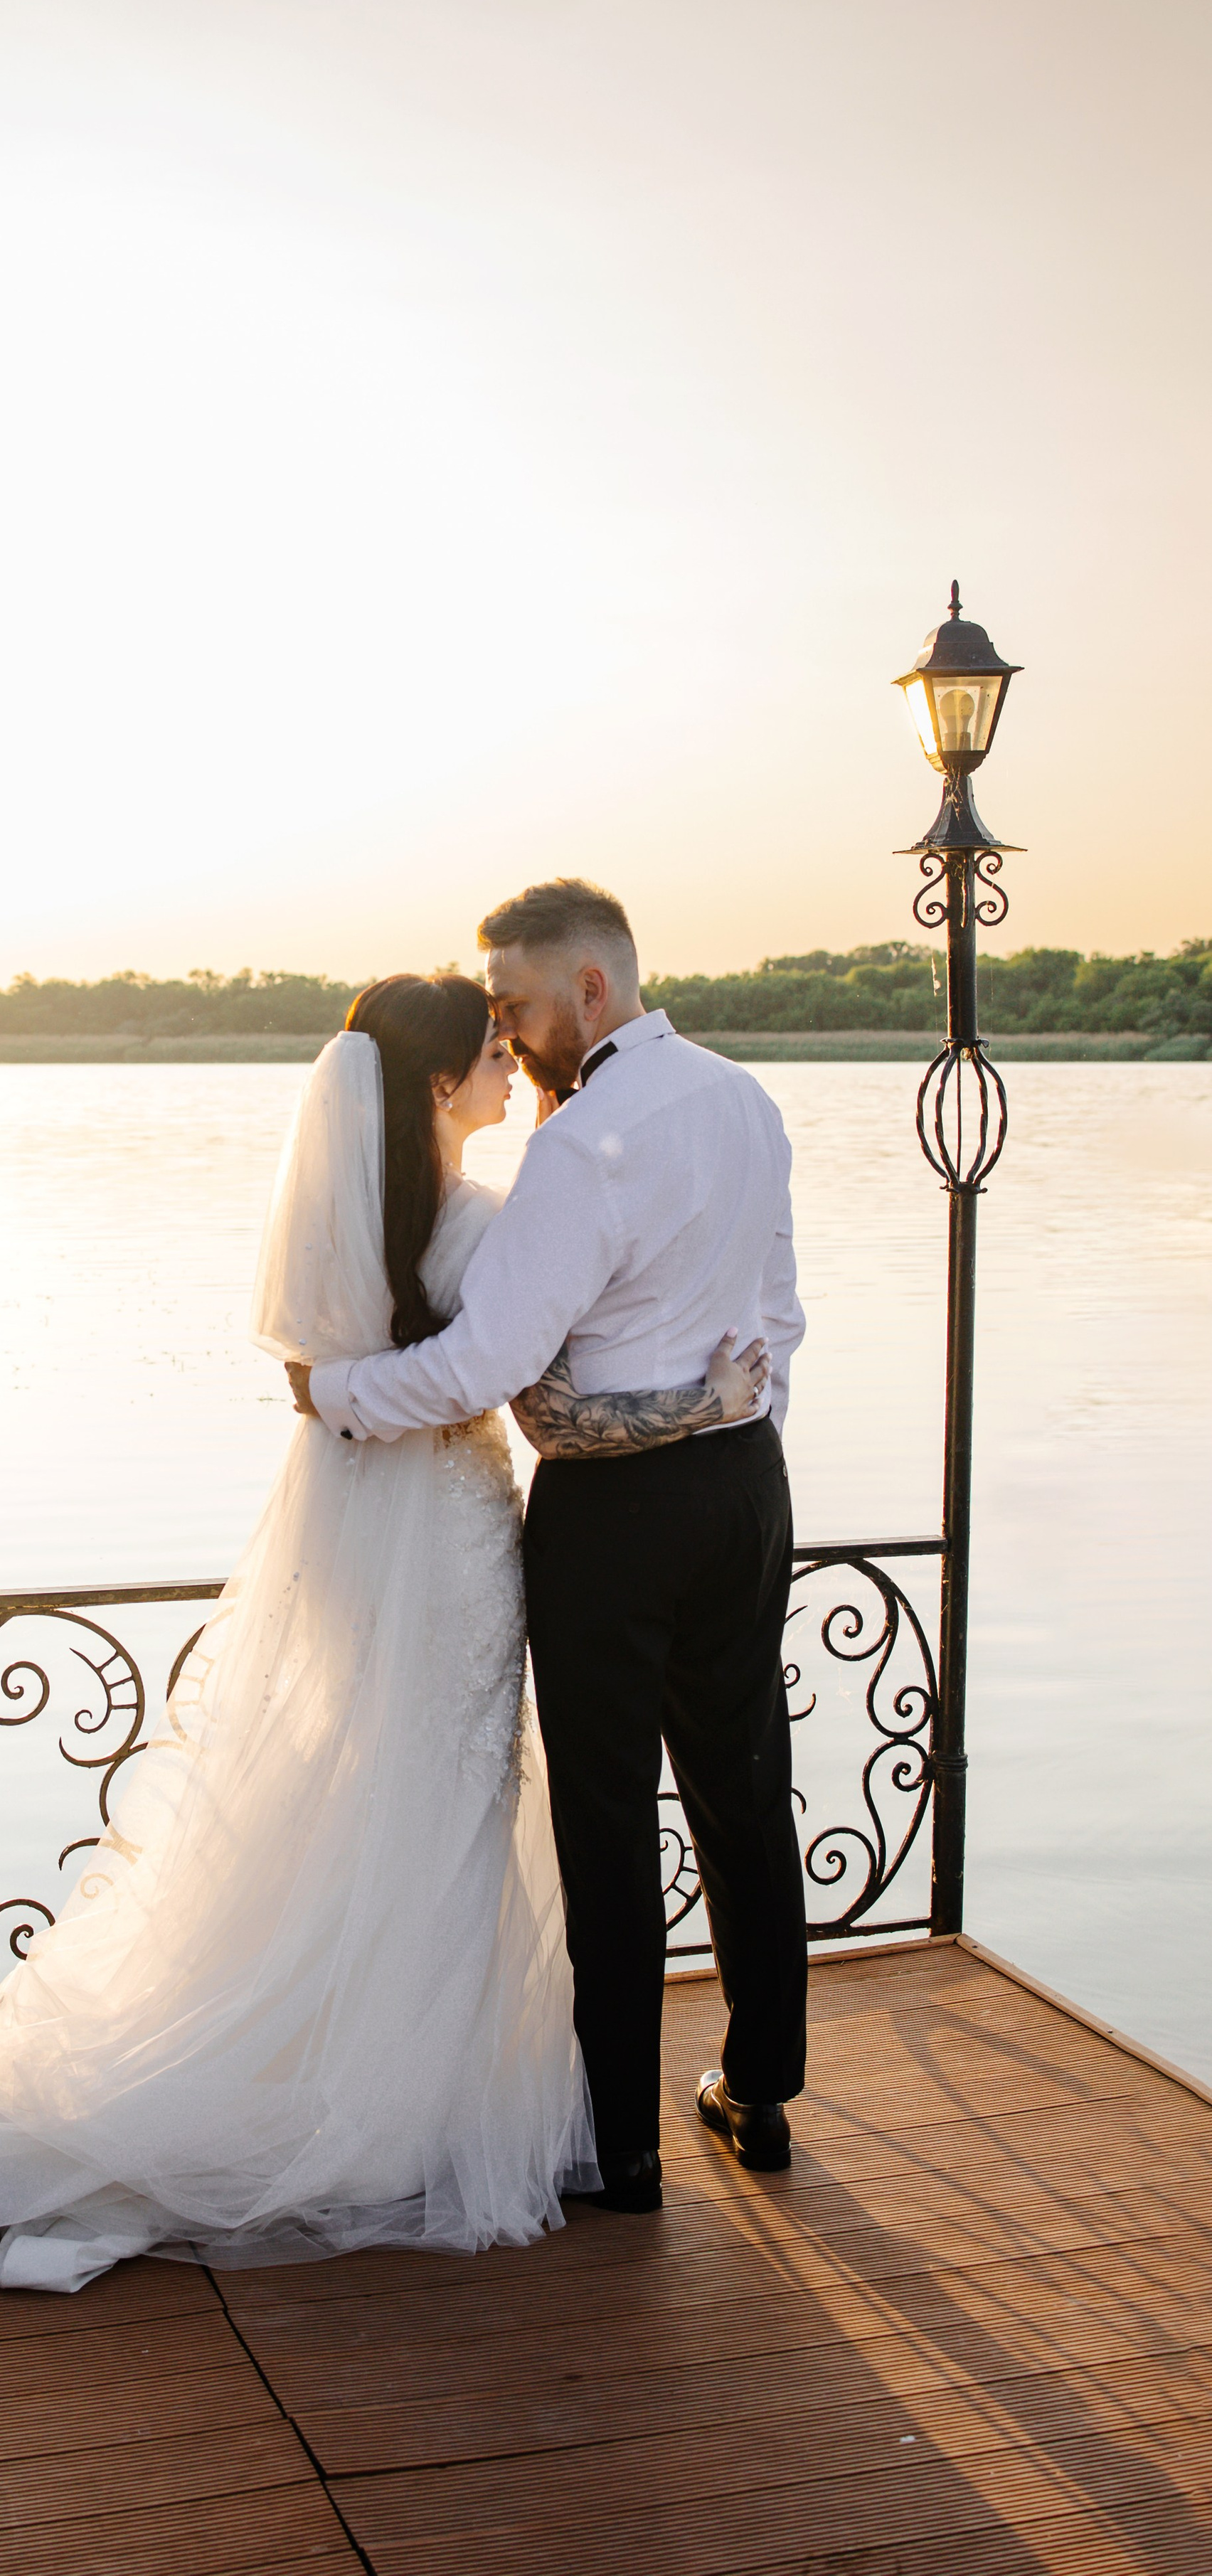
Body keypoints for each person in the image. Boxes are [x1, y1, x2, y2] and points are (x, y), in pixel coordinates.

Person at [0, 971, 767, 2289]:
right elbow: (527, 1394)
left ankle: (365, 2063)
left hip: (374, 1536)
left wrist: (345, 1392)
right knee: (440, 1805)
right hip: (459, 1539)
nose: (516, 1072)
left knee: (365, 1799)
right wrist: (706, 1404)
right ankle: (404, 2092)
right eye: (492, 1054)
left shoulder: (351, 1224)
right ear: (438, 1087)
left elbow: (345, 1379)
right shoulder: (485, 1222)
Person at [294, 880, 809, 2213]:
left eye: (517, 1005)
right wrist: (734, 1428)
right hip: (748, 1490)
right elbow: (781, 1313)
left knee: (603, 1818)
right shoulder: (748, 1099)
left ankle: (624, 2148)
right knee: (748, 1784)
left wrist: (339, 1397)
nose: (507, 1036)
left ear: (590, 991)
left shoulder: (581, 1148)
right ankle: (761, 2097)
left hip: (613, 1519)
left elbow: (488, 1359)